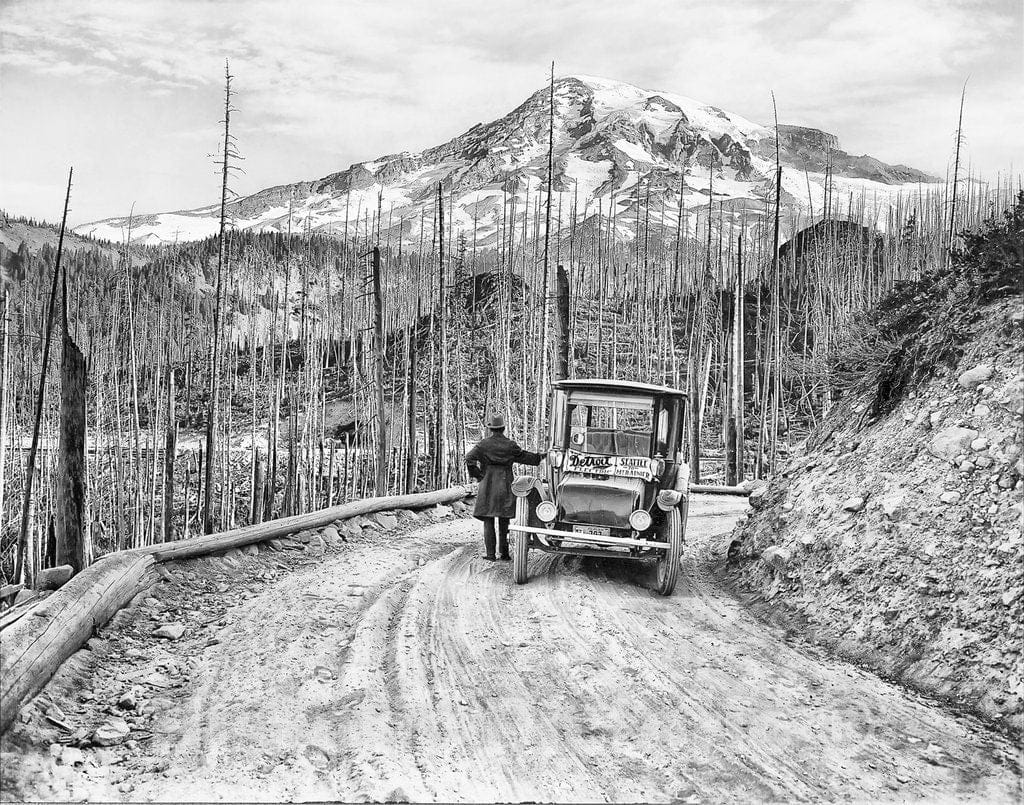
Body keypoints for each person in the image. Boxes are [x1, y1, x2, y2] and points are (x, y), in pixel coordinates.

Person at [465, 414, 544, 561]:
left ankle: (490, 554)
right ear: (503, 428)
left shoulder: (483, 445)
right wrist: (540, 457)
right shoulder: (510, 445)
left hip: (488, 483)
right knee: (504, 519)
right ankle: (505, 553)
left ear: (490, 429)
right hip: (505, 483)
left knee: (488, 520)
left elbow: (469, 458)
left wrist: (477, 475)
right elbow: (525, 456)